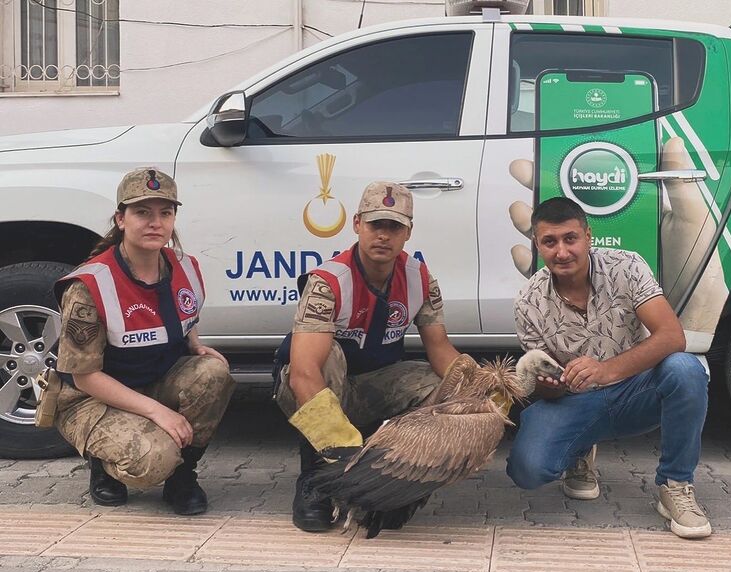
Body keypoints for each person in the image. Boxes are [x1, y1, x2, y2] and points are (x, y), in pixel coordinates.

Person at [507, 197, 711, 539]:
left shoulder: (626, 267)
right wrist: (552, 384)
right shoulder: (527, 301)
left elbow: (672, 336)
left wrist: (606, 370)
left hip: (635, 390)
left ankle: (675, 485)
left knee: (686, 370)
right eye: (550, 242)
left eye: (570, 238)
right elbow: (543, 385)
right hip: (576, 401)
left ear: (588, 236)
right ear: (537, 244)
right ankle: (579, 452)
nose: (562, 251)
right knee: (528, 471)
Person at [274, 181, 460, 532]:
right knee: (325, 358)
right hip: (319, 388)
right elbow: (304, 372)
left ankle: (397, 483)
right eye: (376, 225)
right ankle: (316, 480)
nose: (384, 236)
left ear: (408, 232)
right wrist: (345, 449)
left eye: (395, 227)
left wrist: (481, 390)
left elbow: (441, 350)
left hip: (376, 384)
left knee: (441, 386)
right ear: (357, 224)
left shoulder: (420, 278)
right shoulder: (329, 282)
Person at [52, 168, 235, 515]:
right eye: (142, 213)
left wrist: (194, 343)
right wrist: (160, 413)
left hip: (149, 379)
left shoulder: (183, 265)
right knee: (153, 461)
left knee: (214, 372)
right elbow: (83, 376)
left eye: (165, 213)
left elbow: (183, 311)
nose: (156, 223)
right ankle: (103, 463)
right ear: (121, 219)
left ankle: (182, 477)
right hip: (89, 399)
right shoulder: (90, 285)